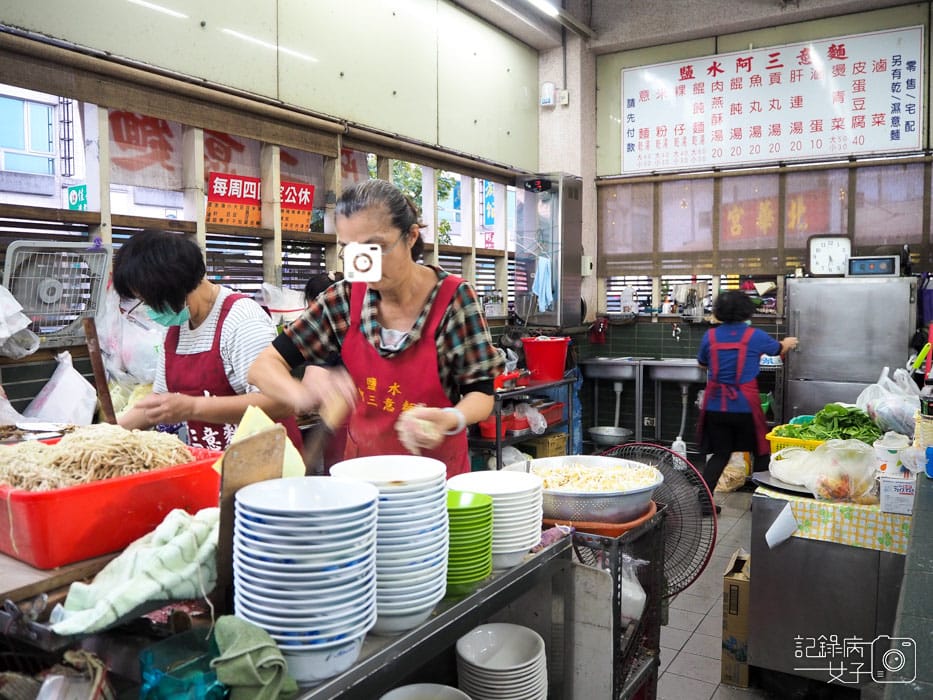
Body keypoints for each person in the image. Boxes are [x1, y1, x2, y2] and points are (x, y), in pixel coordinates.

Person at [248, 179, 505, 477]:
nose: (363, 263)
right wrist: (304, 395)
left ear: (411, 236)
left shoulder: (454, 299)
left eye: (376, 247)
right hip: (362, 477)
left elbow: (481, 394)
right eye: (350, 249)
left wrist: (451, 418)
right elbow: (263, 367)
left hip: (435, 481)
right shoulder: (343, 300)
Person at [112, 230, 302, 452]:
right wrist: (104, 434)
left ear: (173, 286)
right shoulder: (176, 326)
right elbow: (159, 403)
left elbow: (280, 402)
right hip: (214, 460)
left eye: (149, 301)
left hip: (266, 459)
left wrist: (194, 407)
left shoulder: (242, 319)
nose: (148, 310)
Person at [696, 290, 798, 510]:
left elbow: (702, 363)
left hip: (716, 406)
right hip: (744, 407)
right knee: (760, 452)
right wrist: (788, 342)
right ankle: (759, 502)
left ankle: (704, 501)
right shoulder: (755, 335)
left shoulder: (710, 337)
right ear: (746, 311)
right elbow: (777, 350)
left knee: (720, 454)